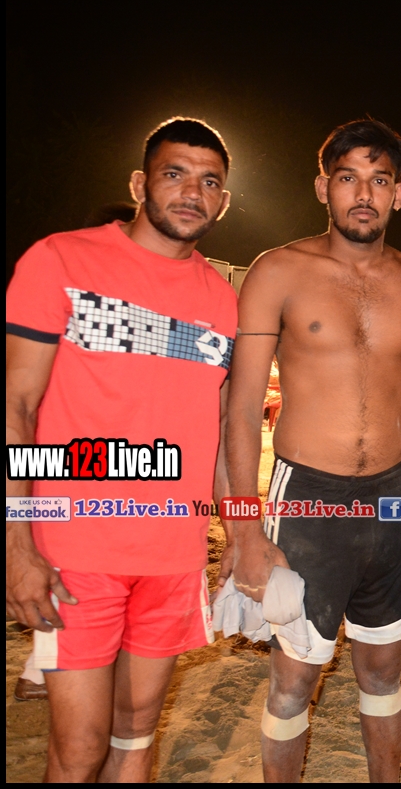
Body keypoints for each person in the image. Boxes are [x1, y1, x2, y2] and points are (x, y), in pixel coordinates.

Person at [224, 119, 401, 783]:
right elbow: (241, 407)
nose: (364, 193)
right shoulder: (278, 271)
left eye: (380, 180)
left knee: (383, 669)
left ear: (398, 194)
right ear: (323, 187)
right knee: (295, 677)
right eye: (348, 178)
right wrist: (242, 529)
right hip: (308, 499)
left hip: (394, 494)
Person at [5, 118, 237, 781]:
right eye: (175, 174)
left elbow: (221, 430)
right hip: (76, 552)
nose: (191, 192)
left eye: (209, 182)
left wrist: (240, 530)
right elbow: (16, 407)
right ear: (140, 183)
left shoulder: (222, 301)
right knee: (79, 750)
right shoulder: (60, 261)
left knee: (135, 739)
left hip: (172, 555)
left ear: (222, 201)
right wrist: (16, 543)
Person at [13, 200, 141, 705]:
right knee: (61, 566)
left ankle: (40, 667)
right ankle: (42, 666)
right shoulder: (62, 291)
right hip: (63, 470)